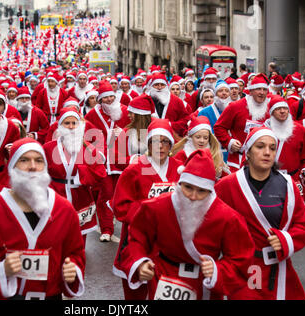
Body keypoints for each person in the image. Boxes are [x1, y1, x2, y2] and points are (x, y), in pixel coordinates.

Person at [0, 138, 86, 300]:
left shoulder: (64, 211)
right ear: (12, 167)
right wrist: (0, 271)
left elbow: (76, 254)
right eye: (24, 160)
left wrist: (73, 270)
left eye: (39, 160)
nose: (33, 167)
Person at [120, 148, 255, 300]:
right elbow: (137, 238)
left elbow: (241, 257)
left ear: (210, 191)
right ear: (180, 183)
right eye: (188, 187)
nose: (193, 196)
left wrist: (218, 270)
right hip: (165, 277)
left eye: (201, 191)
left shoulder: (228, 217)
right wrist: (140, 262)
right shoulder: (157, 207)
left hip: (204, 283)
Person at [215, 126, 305, 299]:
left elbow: (304, 224)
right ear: (248, 152)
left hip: (278, 269)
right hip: (244, 270)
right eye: (260, 147)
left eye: (272, 148)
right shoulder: (227, 185)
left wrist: (286, 240)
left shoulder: (287, 184)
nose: (267, 152)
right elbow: (208, 223)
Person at [112, 118, 182, 300]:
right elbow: (120, 207)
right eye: (155, 141)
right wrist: (148, 212)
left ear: (171, 144)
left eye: (165, 141)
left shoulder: (179, 169)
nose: (160, 146)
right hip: (137, 240)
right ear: (149, 143)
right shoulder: (135, 169)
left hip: (169, 242)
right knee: (136, 294)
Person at [43, 107, 106, 244]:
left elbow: (100, 173)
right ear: (60, 126)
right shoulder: (48, 147)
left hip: (80, 196)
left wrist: (81, 174)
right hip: (56, 195)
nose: (71, 127)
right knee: (56, 235)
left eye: (74, 123)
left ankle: (77, 261)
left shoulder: (88, 148)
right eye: (67, 123)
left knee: (79, 238)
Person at [84, 81, 130, 242]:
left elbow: (139, 130)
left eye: (112, 96)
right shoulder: (91, 115)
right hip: (103, 162)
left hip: (123, 160)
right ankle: (107, 229)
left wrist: (124, 132)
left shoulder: (125, 111)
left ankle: (129, 229)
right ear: (100, 100)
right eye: (106, 98)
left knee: (124, 195)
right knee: (105, 196)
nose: (110, 100)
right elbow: (86, 137)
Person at [214, 74, 271, 172]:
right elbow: (219, 127)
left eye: (264, 89)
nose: (262, 93)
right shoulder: (235, 106)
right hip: (237, 161)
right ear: (251, 90)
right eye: (258, 89)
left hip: (262, 162)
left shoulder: (271, 109)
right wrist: (229, 142)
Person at [264, 95, 305, 205]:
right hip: (268, 180)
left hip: (293, 180)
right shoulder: (262, 131)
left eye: (285, 108)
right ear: (271, 112)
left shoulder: (299, 130)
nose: (282, 111)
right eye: (278, 109)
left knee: (298, 211)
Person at [148, 73, 191, 138]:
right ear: (152, 86)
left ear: (166, 86)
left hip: (171, 138)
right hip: (150, 139)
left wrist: (170, 125)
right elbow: (139, 122)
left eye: (162, 85)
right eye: (156, 85)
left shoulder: (177, 101)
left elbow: (185, 120)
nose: (159, 88)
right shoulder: (144, 100)